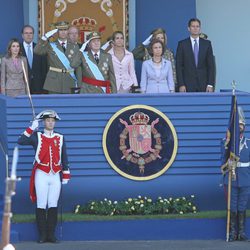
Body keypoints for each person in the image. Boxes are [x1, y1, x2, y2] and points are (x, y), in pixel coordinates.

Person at [17, 110, 70, 243]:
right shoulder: (37, 136)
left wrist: (65, 174)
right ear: (44, 122)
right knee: (41, 204)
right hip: (41, 174)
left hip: (55, 174)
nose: (50, 122)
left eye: (52, 121)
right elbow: (21, 141)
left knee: (53, 204)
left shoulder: (60, 137)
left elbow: (64, 157)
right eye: (48, 120)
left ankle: (51, 235)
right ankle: (42, 235)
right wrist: (31, 128)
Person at [221, 107, 250, 241]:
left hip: (245, 178)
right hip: (231, 178)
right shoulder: (226, 143)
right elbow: (222, 160)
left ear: (244, 127)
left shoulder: (249, 142)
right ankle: (232, 232)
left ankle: (242, 233)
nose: (240, 127)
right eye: (237, 124)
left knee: (242, 206)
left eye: (241, 125)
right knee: (232, 206)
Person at [34, 21, 79, 94]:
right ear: (57, 32)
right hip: (54, 82)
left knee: (68, 104)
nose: (63, 32)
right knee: (54, 104)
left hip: (69, 81)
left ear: (68, 31)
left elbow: (78, 67)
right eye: (61, 30)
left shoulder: (75, 46)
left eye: (65, 30)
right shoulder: (50, 45)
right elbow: (37, 51)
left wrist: (78, 84)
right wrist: (44, 37)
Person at [176, 18, 215, 92]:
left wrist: (210, 84)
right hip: (187, 85)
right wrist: (181, 84)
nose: (195, 28)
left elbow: (211, 66)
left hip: (204, 84)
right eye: (193, 26)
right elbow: (179, 66)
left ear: (200, 28)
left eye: (197, 26)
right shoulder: (182, 44)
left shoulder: (207, 44)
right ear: (188, 28)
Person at [21, 25, 48, 94]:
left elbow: (44, 68)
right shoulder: (17, 49)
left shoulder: (39, 48)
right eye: (26, 33)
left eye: (31, 33)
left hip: (38, 86)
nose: (28, 35)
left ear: (33, 35)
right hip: (22, 85)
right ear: (22, 35)